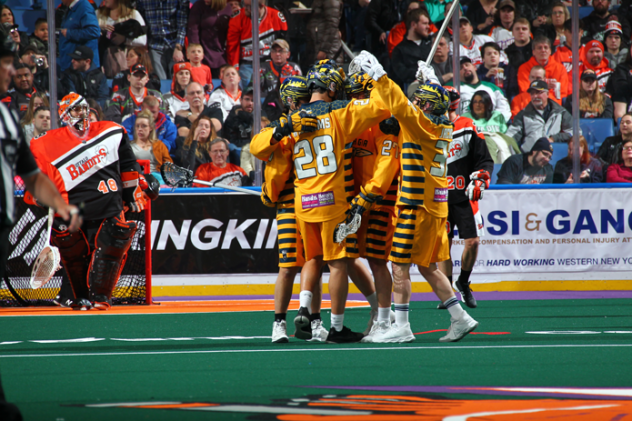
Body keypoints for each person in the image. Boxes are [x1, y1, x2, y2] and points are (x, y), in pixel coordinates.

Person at [349, 53, 479, 343]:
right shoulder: (444, 123)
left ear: (429, 106)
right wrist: (431, 79)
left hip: (415, 203)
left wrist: (380, 75)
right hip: (435, 205)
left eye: (421, 100)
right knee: (427, 266)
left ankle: (403, 326)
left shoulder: (420, 124)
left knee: (399, 264)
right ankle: (460, 317)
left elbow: (398, 103)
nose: (416, 103)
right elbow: (426, 105)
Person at [0, 36, 79, 421]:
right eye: (5, 63)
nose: (12, 71)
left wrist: (60, 204)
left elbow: (31, 176)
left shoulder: (9, 117)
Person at [284, 62, 392, 343]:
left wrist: (280, 127)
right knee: (341, 262)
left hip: (304, 201)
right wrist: (379, 79)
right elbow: (382, 106)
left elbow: (259, 146)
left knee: (314, 259)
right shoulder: (340, 111)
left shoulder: (293, 118)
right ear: (333, 87)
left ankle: (305, 308)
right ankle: (339, 326)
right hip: (335, 200)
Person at [29, 92, 157, 310]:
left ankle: (100, 299)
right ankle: (73, 297)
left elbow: (127, 165)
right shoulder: (45, 143)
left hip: (108, 204)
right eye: (76, 110)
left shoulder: (111, 131)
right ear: (64, 114)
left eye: (85, 108)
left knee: (114, 244)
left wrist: (137, 187)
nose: (83, 113)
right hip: (72, 209)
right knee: (76, 255)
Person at [250, 75, 327, 343]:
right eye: (304, 100)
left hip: (313, 201)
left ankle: (315, 323)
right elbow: (256, 147)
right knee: (287, 266)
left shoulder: (318, 124)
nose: (309, 105)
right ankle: (278, 324)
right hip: (287, 203)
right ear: (293, 102)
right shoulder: (278, 126)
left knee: (314, 264)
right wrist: (283, 128)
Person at [436, 85, 493, 310]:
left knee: (473, 241)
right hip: (439, 197)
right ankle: (448, 291)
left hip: (464, 196)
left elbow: (484, 159)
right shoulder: (428, 126)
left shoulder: (468, 126)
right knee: (443, 246)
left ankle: (463, 281)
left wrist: (480, 179)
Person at [226, 0, 288, 87]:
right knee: (248, 89)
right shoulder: (237, 18)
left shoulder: (277, 17)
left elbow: (283, 43)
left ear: (262, 6)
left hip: (269, 62)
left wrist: (281, 63)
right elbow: (232, 47)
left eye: (250, 7)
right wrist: (235, 68)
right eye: (245, 5)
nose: (246, 9)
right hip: (247, 63)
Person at [507, 79, 573, 152]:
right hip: (529, 157)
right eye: (532, 93)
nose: (535, 96)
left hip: (553, 155)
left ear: (547, 94)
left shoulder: (560, 112)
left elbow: (575, 132)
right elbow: (510, 136)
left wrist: (555, 138)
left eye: (538, 92)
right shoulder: (523, 114)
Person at [135, 0, 188, 80]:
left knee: (177, 80)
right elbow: (141, 23)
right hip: (154, 45)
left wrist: (178, 47)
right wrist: (144, 44)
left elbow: (182, 24)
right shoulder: (143, 1)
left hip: (174, 43)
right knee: (159, 80)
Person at [447, 57, 511, 123]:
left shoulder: (492, 87)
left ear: (474, 67)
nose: (465, 68)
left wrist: (492, 123)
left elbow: (505, 110)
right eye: (460, 68)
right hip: (464, 128)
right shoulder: (452, 88)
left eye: (467, 65)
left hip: (491, 129)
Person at [97, 0, 147, 78]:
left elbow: (143, 40)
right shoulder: (98, 14)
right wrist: (100, 29)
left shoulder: (133, 14)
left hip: (125, 64)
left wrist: (124, 39)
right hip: (102, 61)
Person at [187, 0, 232, 78]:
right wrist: (197, 56)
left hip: (223, 58)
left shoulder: (228, 8)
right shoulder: (199, 6)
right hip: (204, 56)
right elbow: (193, 32)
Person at [390, 8, 433, 89]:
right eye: (424, 23)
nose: (428, 27)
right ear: (413, 24)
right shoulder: (399, 50)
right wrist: (421, 74)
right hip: (411, 88)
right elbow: (402, 73)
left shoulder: (431, 45)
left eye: (428, 23)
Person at [517, 36, 568, 101]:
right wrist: (545, 86)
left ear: (550, 51)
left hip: (554, 104)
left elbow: (563, 93)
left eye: (546, 47)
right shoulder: (524, 68)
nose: (543, 50)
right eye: (539, 48)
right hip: (531, 102)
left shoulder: (560, 68)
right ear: (533, 52)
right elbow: (525, 90)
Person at [130, 110, 172, 183]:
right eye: (137, 126)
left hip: (157, 177)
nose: (140, 129)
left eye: (144, 126)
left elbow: (169, 165)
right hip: (137, 178)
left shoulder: (159, 145)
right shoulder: (129, 147)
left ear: (151, 128)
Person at [58, 0, 101, 72]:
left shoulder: (84, 7)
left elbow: (94, 31)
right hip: (70, 65)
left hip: (82, 68)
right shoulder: (70, 9)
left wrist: (70, 33)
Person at [305, 0, 343, 66]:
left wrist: (324, 49)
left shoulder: (331, 1)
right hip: (318, 43)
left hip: (328, 49)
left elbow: (332, 25)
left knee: (328, 73)